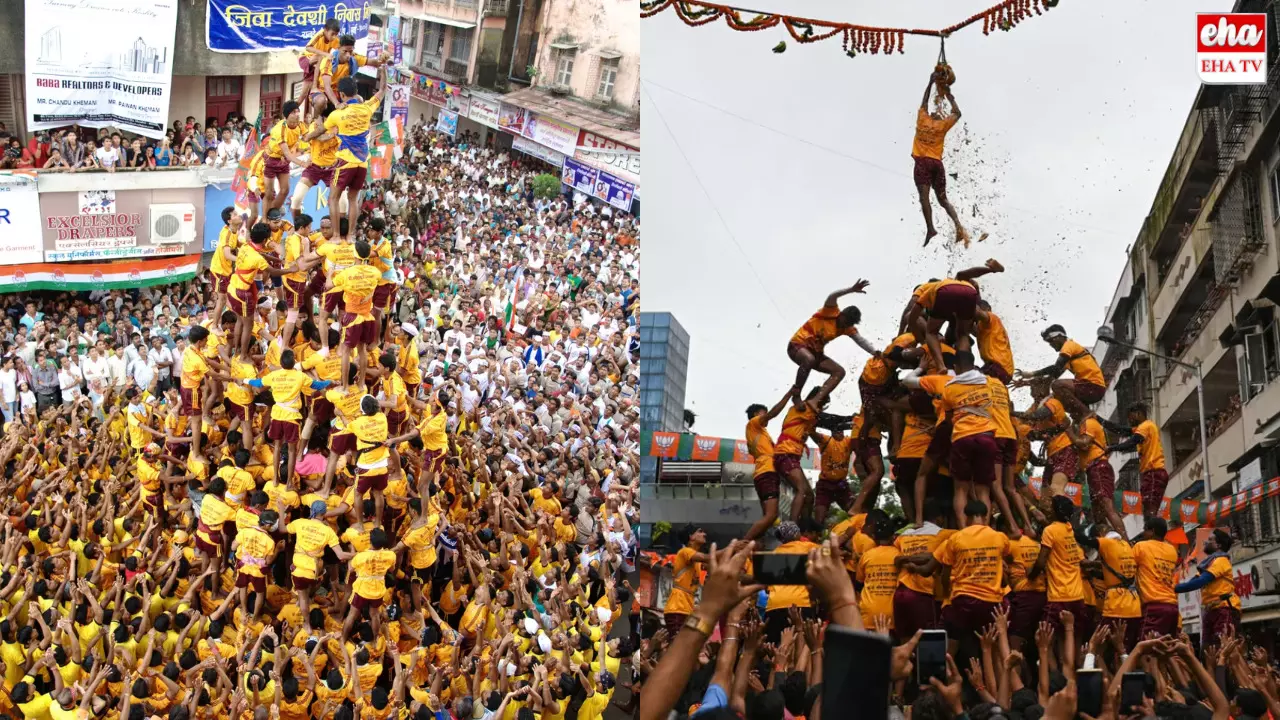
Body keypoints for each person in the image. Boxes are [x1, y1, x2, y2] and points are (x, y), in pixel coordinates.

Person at [900, 500, 1011, 655]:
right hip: (991, 602)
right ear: (986, 517)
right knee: (994, 649)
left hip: (962, 601)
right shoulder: (1000, 537)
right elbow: (1006, 564)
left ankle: (945, 675)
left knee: (950, 646)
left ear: (966, 517)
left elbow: (944, 575)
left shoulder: (955, 538)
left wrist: (947, 595)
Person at [904, 350, 998, 527]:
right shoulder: (988, 383)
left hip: (954, 433)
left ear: (950, 367)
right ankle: (984, 527)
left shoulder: (944, 382)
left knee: (928, 475)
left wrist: (920, 368)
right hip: (985, 435)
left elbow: (907, 381)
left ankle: (919, 520)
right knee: (981, 487)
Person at [900, 260, 1004, 371]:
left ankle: (941, 366)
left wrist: (922, 341)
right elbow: (966, 277)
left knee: (931, 333)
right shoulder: (955, 281)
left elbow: (911, 318)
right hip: (969, 293)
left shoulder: (926, 291)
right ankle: (966, 368)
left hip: (946, 295)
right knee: (963, 334)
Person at [786, 280, 875, 407]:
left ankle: (815, 401)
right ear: (842, 314)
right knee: (809, 359)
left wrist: (875, 352)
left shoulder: (847, 328)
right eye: (845, 320)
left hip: (815, 352)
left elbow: (861, 341)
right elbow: (832, 296)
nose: (845, 324)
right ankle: (796, 394)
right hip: (797, 345)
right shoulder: (830, 311)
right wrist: (851, 289)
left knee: (839, 372)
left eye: (849, 323)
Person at [322, 71, 388, 238]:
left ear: (341, 94)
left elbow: (321, 131)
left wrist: (308, 136)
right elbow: (382, 90)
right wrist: (384, 68)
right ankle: (351, 236)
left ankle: (336, 236)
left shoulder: (337, 114)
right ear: (356, 92)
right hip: (362, 163)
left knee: (333, 199)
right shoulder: (366, 108)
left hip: (345, 161)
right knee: (353, 200)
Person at [911, 68, 967, 246]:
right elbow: (957, 113)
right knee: (942, 199)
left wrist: (930, 82)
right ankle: (958, 226)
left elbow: (925, 100)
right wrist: (949, 96)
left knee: (924, 198)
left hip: (923, 164)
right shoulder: (941, 125)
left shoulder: (923, 119)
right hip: (936, 165)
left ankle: (931, 228)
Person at [1017, 324, 1107, 420]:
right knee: (1056, 398)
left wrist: (1031, 374)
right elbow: (1052, 376)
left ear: (1060, 336)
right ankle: (1080, 418)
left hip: (1094, 387)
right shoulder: (1069, 356)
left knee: (1057, 385)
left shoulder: (1068, 345)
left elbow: (1055, 369)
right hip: (1088, 388)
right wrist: (1028, 383)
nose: (1050, 344)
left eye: (1051, 340)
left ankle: (1086, 412)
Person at [1104, 402, 1169, 517]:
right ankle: (1151, 530)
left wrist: (1111, 448)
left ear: (1138, 414)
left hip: (1154, 472)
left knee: (1150, 509)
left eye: (1131, 418)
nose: (1129, 421)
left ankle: (1152, 532)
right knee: (1149, 507)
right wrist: (1101, 421)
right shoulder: (1144, 427)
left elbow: (1131, 442)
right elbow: (1121, 430)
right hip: (1152, 474)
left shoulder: (1145, 426)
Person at [742, 391, 790, 542]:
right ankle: (742, 544)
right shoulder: (753, 423)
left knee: (768, 519)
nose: (767, 415)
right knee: (771, 515)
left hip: (764, 473)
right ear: (756, 414)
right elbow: (774, 413)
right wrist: (788, 395)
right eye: (764, 412)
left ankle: (754, 547)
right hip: (766, 472)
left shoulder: (760, 433)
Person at [1176, 528, 1242, 637]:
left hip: (1224, 609)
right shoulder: (1209, 563)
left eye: (1210, 540)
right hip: (1211, 610)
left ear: (1218, 545)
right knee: (1209, 650)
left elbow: (1201, 581)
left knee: (1222, 648)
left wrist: (1173, 588)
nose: (1206, 542)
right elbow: (1194, 581)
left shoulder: (1221, 561)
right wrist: (1174, 586)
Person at [1133, 517, 1181, 638]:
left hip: (1153, 607)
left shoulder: (1140, 547)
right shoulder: (1172, 550)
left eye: (1145, 530)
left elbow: (1128, 568)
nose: (1143, 533)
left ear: (1152, 531)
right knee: (1168, 649)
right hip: (1173, 607)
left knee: (1147, 649)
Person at [663, 524, 709, 635]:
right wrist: (730, 549)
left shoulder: (697, 562)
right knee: (677, 645)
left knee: (703, 633)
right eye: (700, 531)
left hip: (689, 610)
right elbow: (707, 557)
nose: (704, 534)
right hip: (677, 610)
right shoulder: (685, 552)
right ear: (691, 537)